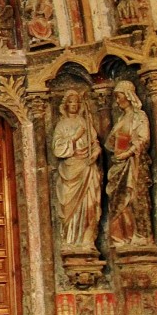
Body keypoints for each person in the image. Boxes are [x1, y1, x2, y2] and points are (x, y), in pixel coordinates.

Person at [105, 81, 153, 246]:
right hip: (119, 163)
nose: (117, 101)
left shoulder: (139, 116)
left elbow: (143, 139)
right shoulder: (121, 119)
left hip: (133, 162)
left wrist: (128, 152)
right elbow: (111, 143)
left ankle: (140, 235)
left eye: (119, 97)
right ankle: (123, 236)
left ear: (128, 96)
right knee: (119, 201)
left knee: (133, 198)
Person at [52, 90, 102, 250]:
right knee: (68, 205)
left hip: (86, 167)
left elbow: (95, 143)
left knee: (89, 204)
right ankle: (70, 239)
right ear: (65, 106)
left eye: (76, 102)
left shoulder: (85, 122)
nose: (73, 105)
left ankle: (86, 240)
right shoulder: (62, 124)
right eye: (70, 102)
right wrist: (74, 137)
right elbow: (57, 149)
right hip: (70, 168)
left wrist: (95, 153)